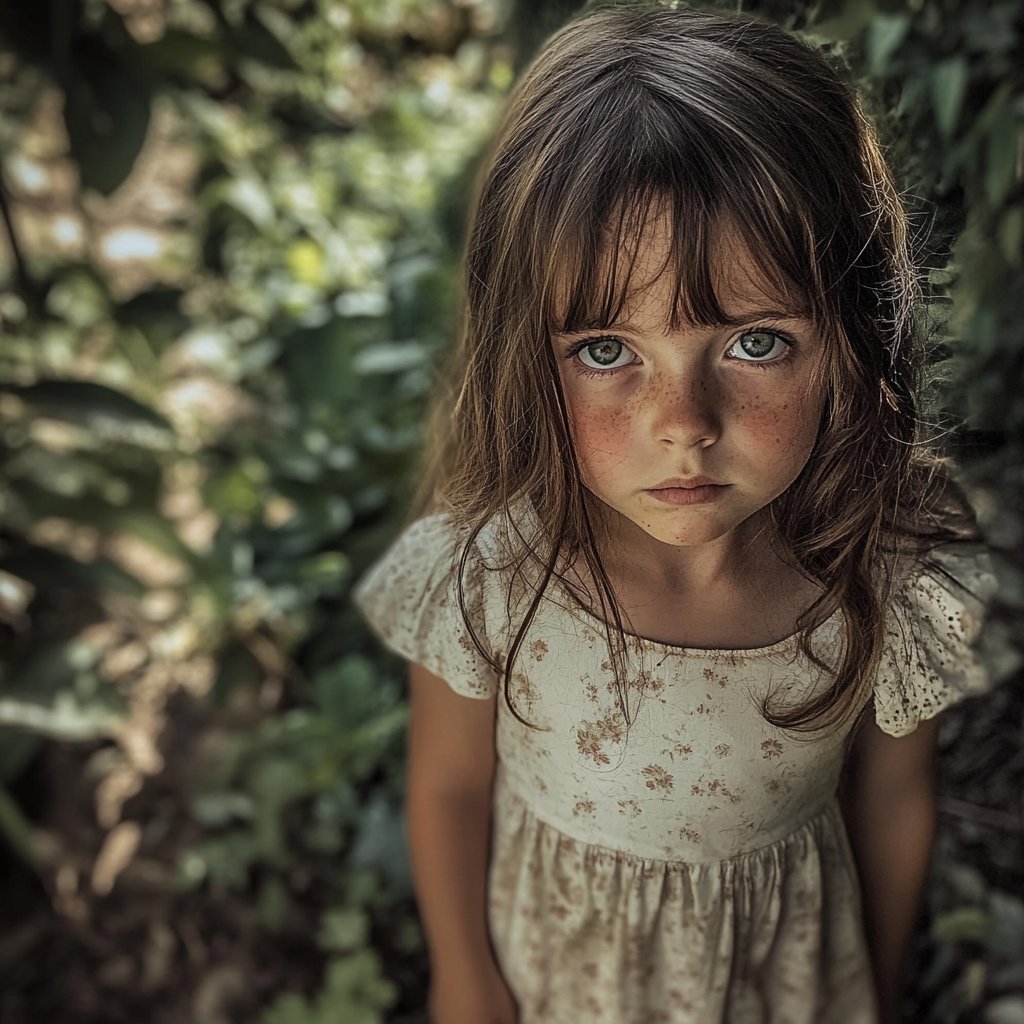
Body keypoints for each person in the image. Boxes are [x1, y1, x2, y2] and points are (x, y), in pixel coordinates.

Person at [353, 4, 1010, 1022]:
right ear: (525, 352)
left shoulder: (882, 571)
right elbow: (448, 787)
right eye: (606, 350)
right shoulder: (488, 570)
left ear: (853, 333)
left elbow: (890, 800)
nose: (683, 424)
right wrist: (465, 978)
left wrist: (874, 987)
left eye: (754, 342)